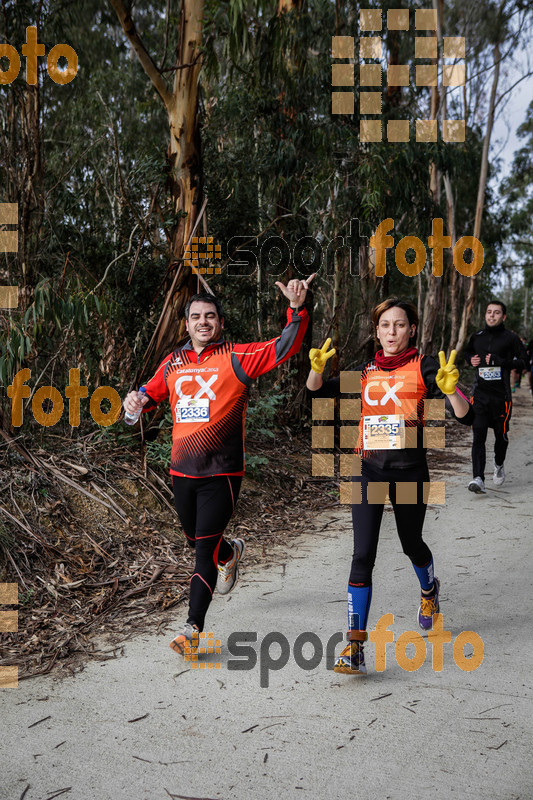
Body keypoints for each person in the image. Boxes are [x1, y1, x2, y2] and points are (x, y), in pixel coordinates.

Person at [124, 277, 313, 656]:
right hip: (182, 472)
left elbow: (284, 346)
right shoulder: (173, 363)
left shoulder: (237, 358)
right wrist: (134, 403)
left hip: (222, 472)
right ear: (187, 323)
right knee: (198, 541)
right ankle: (230, 553)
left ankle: (192, 628)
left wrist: (296, 308)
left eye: (210, 316)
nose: (203, 322)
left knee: (201, 553)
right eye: (196, 317)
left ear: (220, 323)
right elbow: (148, 395)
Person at [306, 298, 473, 675]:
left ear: (411, 329)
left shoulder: (424, 366)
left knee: (411, 542)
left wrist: (451, 390)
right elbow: (317, 393)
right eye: (385, 325)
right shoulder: (365, 371)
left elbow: (467, 416)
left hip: (411, 474)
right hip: (366, 471)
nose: (392, 332)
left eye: (399, 325)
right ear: (376, 330)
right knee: (362, 554)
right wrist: (315, 371)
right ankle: (354, 647)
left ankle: (429, 591)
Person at [464, 300, 528, 493]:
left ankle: (499, 464)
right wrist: (470, 359)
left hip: (502, 399)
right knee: (479, 437)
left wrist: (502, 362)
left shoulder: (510, 338)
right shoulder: (477, 337)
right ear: (485, 315)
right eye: (489, 312)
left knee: (501, 437)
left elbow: (523, 362)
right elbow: (468, 352)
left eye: (496, 313)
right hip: (480, 396)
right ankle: (478, 478)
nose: (492, 315)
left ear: (503, 317)